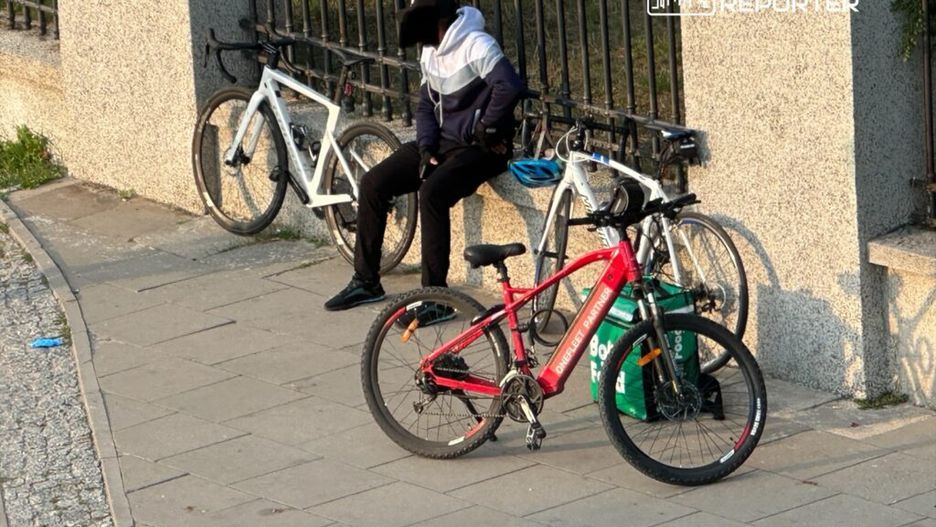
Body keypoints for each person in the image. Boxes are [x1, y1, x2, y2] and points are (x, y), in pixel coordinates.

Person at [324, 0, 523, 311]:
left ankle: (435, 299)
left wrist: (486, 129)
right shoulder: (430, 51)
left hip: (480, 149)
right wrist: (426, 145)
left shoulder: (476, 44)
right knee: (373, 183)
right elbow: (425, 105)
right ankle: (366, 282)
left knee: (432, 193)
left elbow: (509, 87)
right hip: (441, 144)